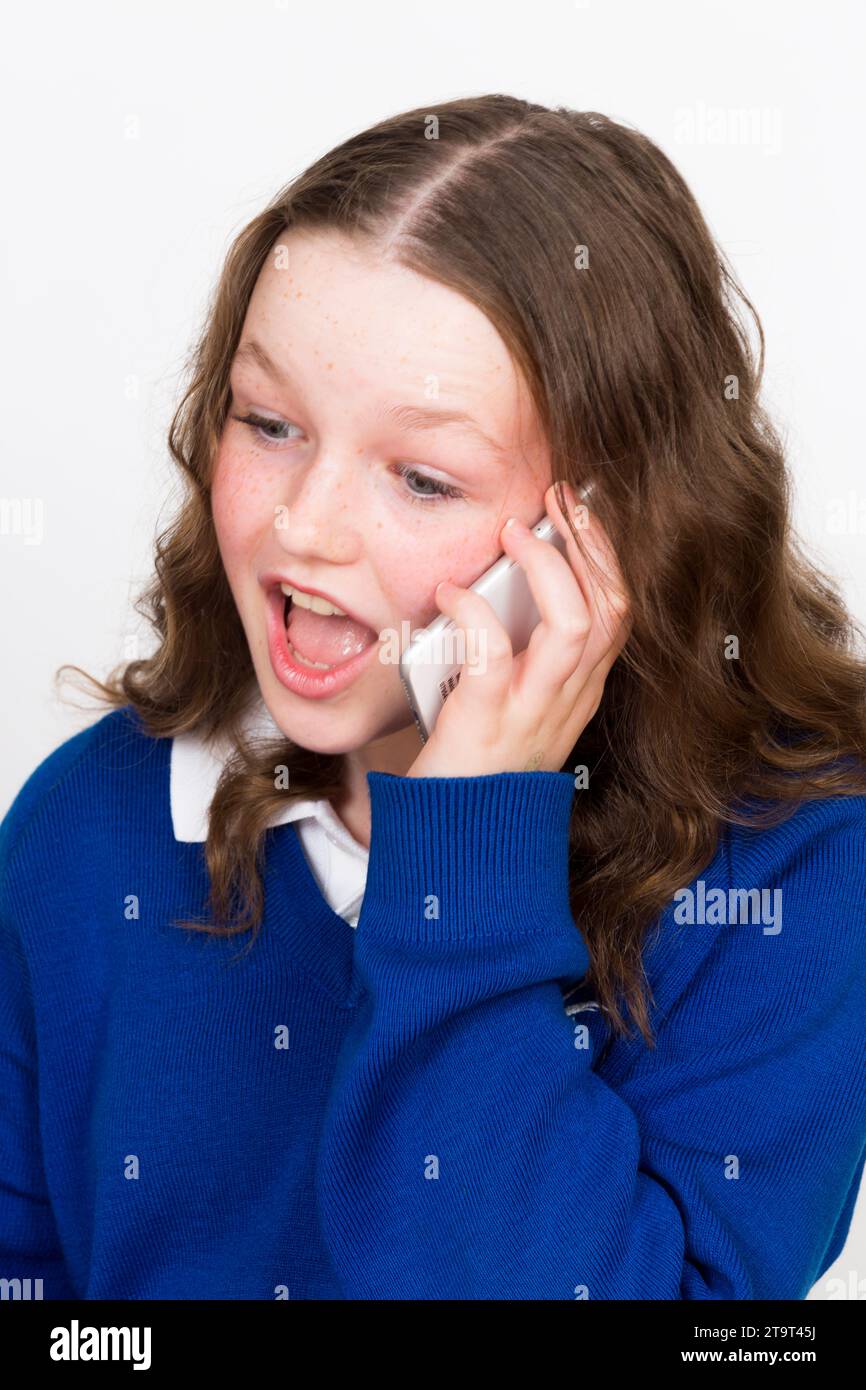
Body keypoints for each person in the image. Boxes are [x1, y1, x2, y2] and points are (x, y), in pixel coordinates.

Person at [2, 94, 865, 1301]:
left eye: (419, 476)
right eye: (268, 422)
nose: (302, 529)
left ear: (606, 537)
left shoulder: (794, 872)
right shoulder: (85, 825)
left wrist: (467, 846)